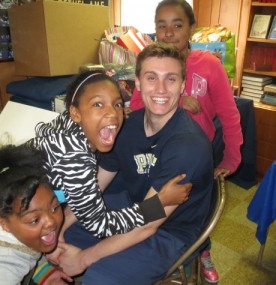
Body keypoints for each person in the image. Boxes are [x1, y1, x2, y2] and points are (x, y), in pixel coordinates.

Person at [54, 42, 214, 285]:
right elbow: (95, 185)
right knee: (56, 232)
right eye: (151, 77)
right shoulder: (125, 125)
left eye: (170, 79)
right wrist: (60, 228)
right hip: (135, 207)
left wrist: (84, 259)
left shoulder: (188, 146)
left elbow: (148, 225)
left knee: (101, 277)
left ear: (183, 85)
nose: (160, 88)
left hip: (170, 230)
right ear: (137, 83)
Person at [129, 0, 243, 281]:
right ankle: (147, 240)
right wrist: (177, 101)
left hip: (197, 156)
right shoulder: (149, 60)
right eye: (161, 26)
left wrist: (232, 157)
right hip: (157, 152)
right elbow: (135, 105)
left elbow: (230, 115)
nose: (168, 32)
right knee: (158, 204)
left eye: (177, 25)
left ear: (191, 28)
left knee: (196, 210)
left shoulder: (209, 65)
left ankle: (201, 250)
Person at [26, 70, 191, 242]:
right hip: (15, 222)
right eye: (98, 104)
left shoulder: (68, 122)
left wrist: (108, 112)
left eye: (117, 104)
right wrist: (159, 203)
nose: (112, 113)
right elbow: (100, 225)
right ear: (75, 113)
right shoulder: (75, 158)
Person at [0, 144, 72, 285]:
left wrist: (43, 271)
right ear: (3, 223)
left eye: (55, 207)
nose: (51, 221)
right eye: (34, 220)